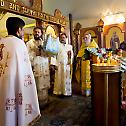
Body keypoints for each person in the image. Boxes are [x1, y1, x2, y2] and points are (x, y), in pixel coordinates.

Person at [0, 17, 40, 126]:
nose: (23, 32)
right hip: (13, 82)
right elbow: (24, 69)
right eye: (22, 30)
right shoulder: (19, 43)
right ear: (18, 30)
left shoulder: (1, 41)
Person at [26, 26, 51, 106]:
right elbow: (26, 55)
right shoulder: (29, 43)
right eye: (35, 32)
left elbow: (49, 54)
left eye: (38, 32)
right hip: (35, 66)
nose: (37, 33)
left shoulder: (45, 43)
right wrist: (34, 54)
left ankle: (45, 101)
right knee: (36, 84)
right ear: (33, 33)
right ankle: (36, 104)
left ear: (41, 33)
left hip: (44, 66)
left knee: (44, 84)